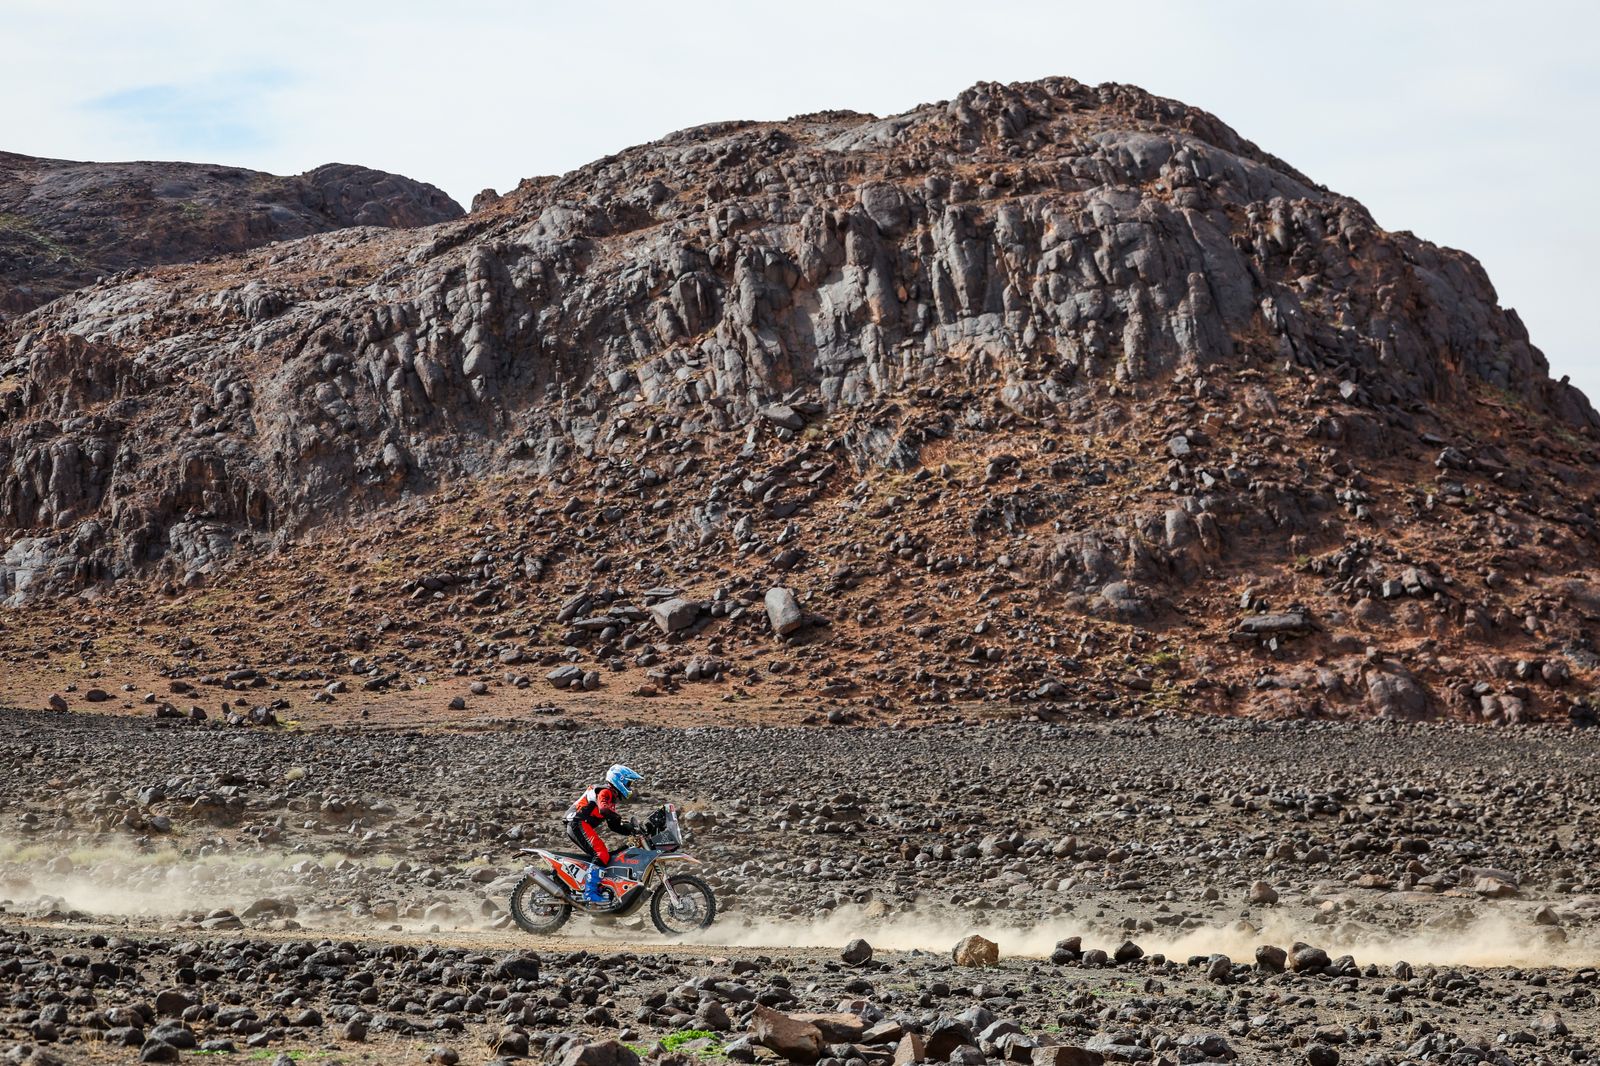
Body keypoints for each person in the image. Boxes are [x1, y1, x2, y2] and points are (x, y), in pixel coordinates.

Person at [564, 764, 644, 903]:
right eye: (628, 783)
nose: (630, 787)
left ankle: (598, 887)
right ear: (620, 780)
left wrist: (632, 830)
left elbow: (613, 826)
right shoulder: (605, 792)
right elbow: (603, 810)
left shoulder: (610, 798)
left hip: (580, 824)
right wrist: (617, 817)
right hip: (577, 822)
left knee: (605, 855)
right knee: (601, 853)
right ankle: (590, 893)